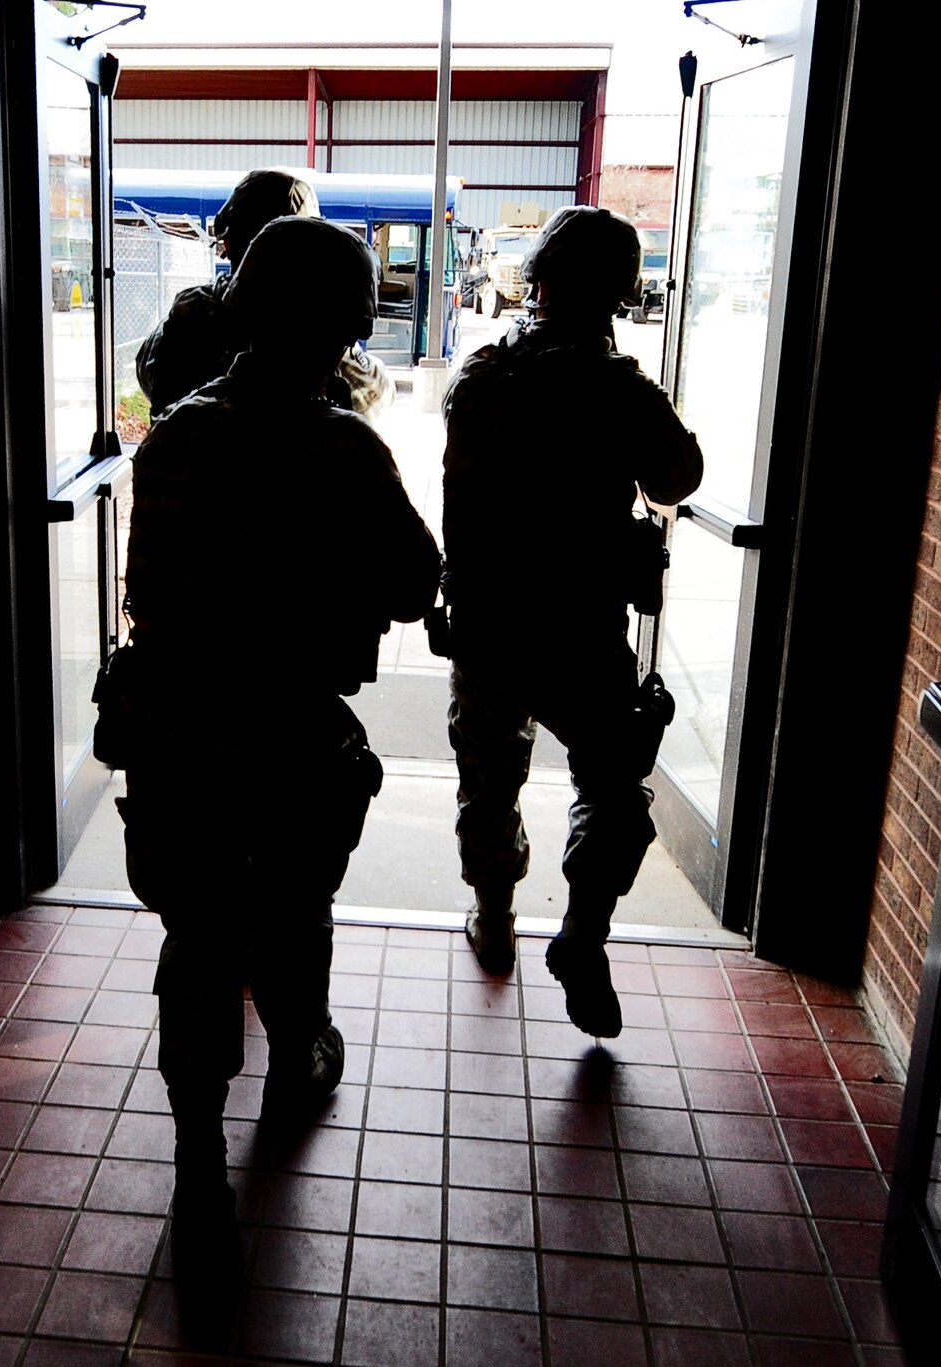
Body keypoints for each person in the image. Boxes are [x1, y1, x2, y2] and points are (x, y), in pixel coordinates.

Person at [109, 215, 440, 1331]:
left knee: (196, 937)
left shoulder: (175, 438)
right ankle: (299, 1047)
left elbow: (148, 592)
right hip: (293, 734)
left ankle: (198, 1158)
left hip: (181, 735)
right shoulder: (343, 448)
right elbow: (411, 581)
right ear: (346, 323)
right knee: (293, 914)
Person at [440, 204, 703, 1037]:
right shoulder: (621, 393)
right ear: (620, 295)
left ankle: (495, 917)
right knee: (611, 782)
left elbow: (460, 517)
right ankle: (583, 935)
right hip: (584, 631)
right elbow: (677, 479)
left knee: (490, 779)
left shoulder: (480, 379)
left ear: (540, 281)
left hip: (491, 627)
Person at [134, 168, 392, 416]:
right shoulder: (321, 328)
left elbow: (148, 373)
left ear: (229, 242)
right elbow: (375, 395)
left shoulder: (192, 312)